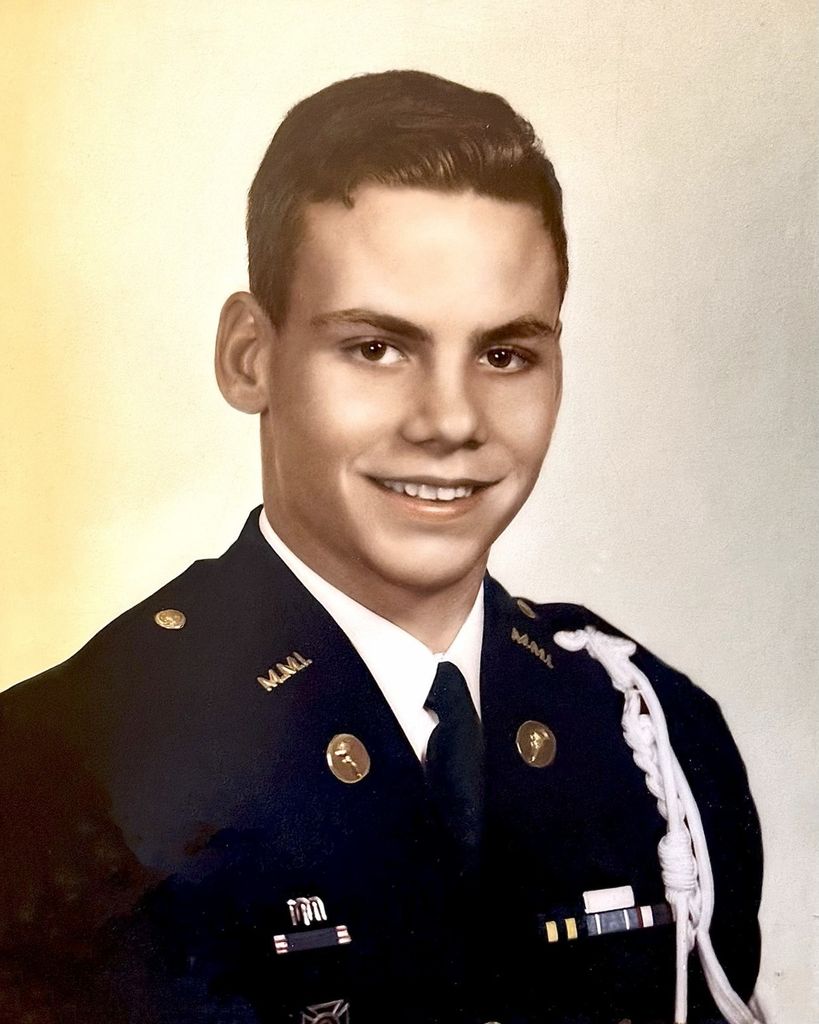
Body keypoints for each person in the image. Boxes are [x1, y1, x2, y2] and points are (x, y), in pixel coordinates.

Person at [0, 70, 763, 1024]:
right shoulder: (62, 770)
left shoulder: (651, 738)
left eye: (504, 355)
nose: (450, 421)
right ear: (249, 355)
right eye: (376, 348)